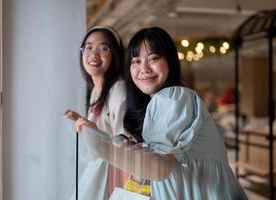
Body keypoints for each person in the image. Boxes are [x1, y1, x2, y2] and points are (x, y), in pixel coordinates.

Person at [78, 27, 248, 199]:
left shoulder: (175, 98)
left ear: (170, 61)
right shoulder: (152, 104)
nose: (143, 68)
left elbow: (159, 170)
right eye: (135, 61)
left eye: (153, 58)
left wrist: (101, 147)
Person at [65, 26, 130, 200]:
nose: (93, 54)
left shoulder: (119, 89)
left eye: (103, 48)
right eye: (88, 47)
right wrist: (81, 122)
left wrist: (92, 129)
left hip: (115, 176)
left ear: (115, 55)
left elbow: (126, 143)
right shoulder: (97, 91)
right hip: (99, 170)